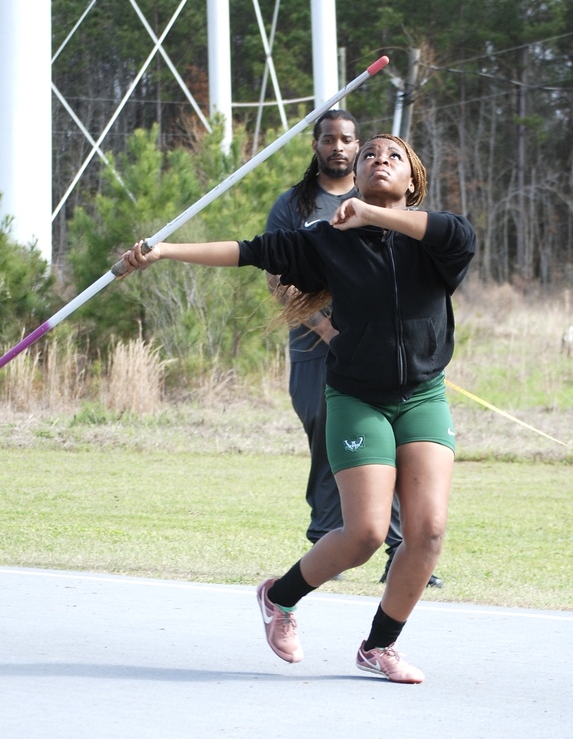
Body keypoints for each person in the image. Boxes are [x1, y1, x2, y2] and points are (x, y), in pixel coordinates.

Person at [119, 134, 476, 683]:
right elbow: (247, 251)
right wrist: (164, 251)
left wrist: (373, 218)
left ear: (412, 180)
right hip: (357, 397)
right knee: (365, 535)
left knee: (427, 532)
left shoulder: (437, 240)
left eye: (393, 156)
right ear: (354, 178)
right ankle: (278, 599)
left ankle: (378, 647)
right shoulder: (325, 240)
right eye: (369, 157)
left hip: (423, 395)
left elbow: (456, 232)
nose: (379, 160)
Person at [265, 109, 443, 588]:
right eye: (329, 139)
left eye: (348, 139)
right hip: (314, 347)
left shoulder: (382, 198)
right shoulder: (295, 205)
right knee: (329, 440)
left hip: (378, 351)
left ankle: (401, 549)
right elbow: (276, 274)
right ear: (317, 146)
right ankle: (329, 538)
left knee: (397, 446)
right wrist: (327, 331)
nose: (339, 147)